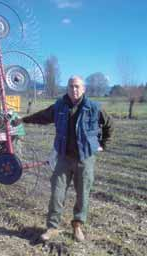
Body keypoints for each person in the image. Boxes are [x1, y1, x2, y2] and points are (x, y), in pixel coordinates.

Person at [17, 75, 114, 242]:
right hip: (63, 157)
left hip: (85, 158)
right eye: (71, 86)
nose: (74, 89)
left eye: (77, 86)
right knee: (57, 192)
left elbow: (109, 124)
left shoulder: (93, 107)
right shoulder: (60, 106)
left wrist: (102, 144)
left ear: (83, 89)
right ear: (67, 88)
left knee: (83, 193)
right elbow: (43, 116)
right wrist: (23, 119)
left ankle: (77, 225)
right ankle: (52, 227)